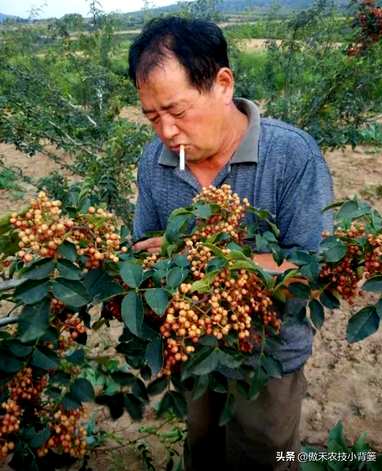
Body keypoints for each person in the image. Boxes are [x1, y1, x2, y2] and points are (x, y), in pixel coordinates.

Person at [128, 16, 334, 471]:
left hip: (269, 356)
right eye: (151, 116)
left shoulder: (291, 155)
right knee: (202, 448)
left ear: (223, 84)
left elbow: (313, 271)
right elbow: (144, 249)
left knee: (264, 454)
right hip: (193, 349)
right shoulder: (154, 159)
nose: (165, 131)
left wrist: (202, 255)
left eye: (177, 111)